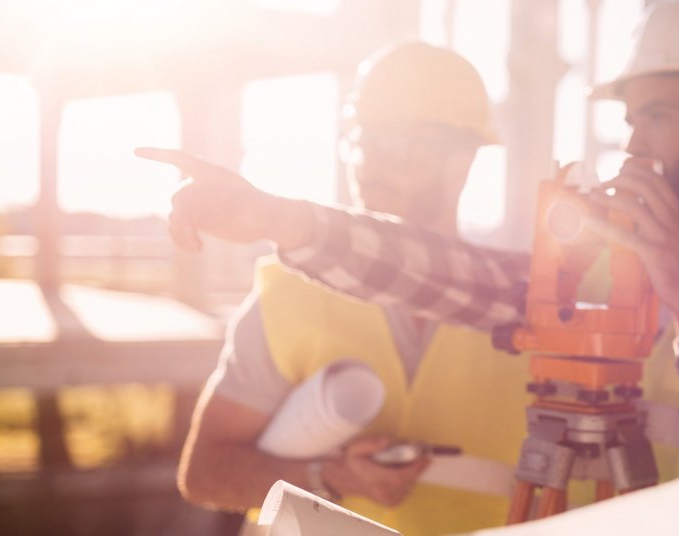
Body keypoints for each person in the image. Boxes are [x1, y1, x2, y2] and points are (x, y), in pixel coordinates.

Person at [144, 0, 679, 495]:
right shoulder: (602, 270)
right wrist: (279, 218)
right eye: (628, 120)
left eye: (655, 116)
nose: (632, 144)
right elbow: (445, 275)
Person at [173, 43, 529, 535]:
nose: (370, 166)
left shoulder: (527, 308)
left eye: (402, 147)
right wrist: (330, 476)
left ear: (461, 162)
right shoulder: (288, 294)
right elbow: (205, 473)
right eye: (362, 144)